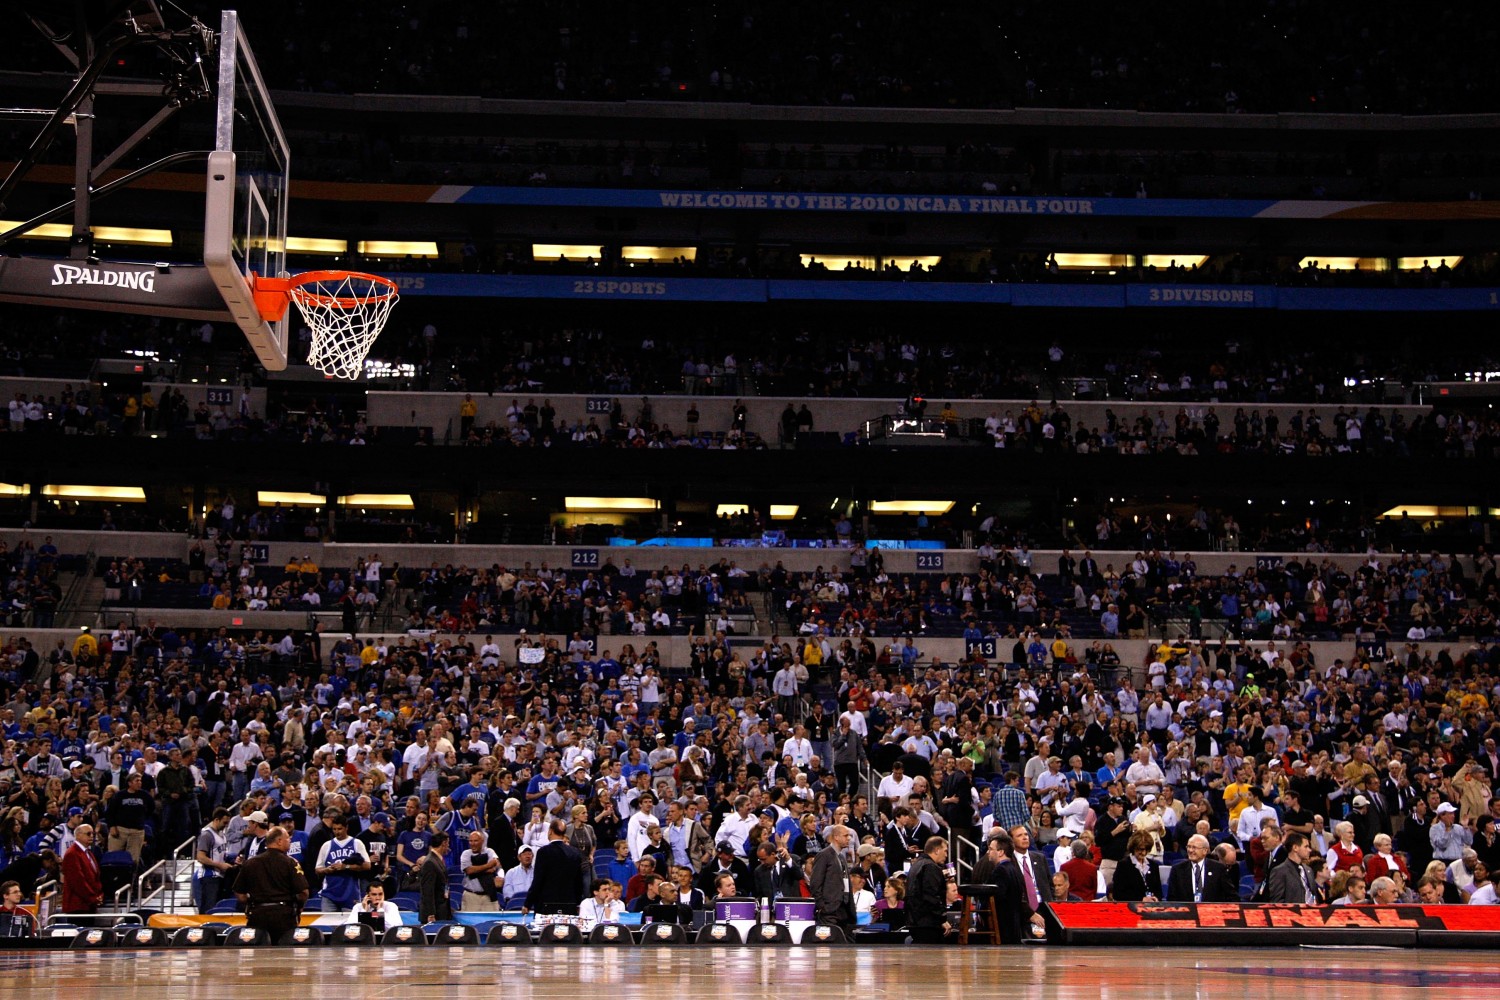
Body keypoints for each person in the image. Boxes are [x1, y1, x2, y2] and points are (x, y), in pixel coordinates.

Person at [234, 825, 309, 942]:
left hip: (257, 916)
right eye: (288, 838)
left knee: (256, 954)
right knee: (284, 955)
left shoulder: (250, 863)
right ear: (279, 841)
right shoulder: (290, 862)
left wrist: (251, 901)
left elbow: (240, 894)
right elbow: (303, 892)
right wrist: (298, 907)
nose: (290, 841)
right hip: (283, 917)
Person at [981, 831, 1035, 944]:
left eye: (991, 849)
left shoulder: (1000, 870)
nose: (988, 852)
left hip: (1002, 927)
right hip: (1013, 926)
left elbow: (996, 898)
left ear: (1000, 852)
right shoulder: (1013, 869)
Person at [528, 818, 588, 915]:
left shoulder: (543, 852)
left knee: (546, 930)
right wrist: (577, 903)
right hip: (569, 903)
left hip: (546, 904)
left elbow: (538, 880)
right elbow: (579, 882)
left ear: (550, 831)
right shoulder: (575, 853)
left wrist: (527, 903)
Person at [313, 814, 371, 912]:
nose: (337, 832)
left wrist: (345, 866)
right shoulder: (326, 845)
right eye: (334, 829)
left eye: (339, 829)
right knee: (328, 925)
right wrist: (327, 870)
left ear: (346, 827)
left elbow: (367, 865)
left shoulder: (356, 843)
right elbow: (317, 869)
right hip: (329, 894)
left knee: (350, 925)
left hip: (350, 893)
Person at [811, 823, 856, 933]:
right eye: (846, 836)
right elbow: (815, 883)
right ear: (836, 837)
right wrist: (822, 906)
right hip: (830, 910)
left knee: (846, 944)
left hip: (844, 909)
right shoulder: (824, 855)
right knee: (830, 942)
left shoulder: (841, 857)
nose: (849, 838)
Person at [905, 835, 952, 944]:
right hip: (928, 924)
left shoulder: (916, 865)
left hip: (914, 922)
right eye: (945, 851)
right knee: (932, 958)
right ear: (936, 850)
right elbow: (931, 896)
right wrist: (942, 919)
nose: (946, 855)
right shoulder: (931, 867)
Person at [1166, 834, 1234, 902]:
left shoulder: (1218, 869)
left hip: (1211, 911)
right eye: (1189, 847)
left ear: (1205, 851)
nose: (1190, 850)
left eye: (1194, 847)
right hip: (1187, 912)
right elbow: (1171, 899)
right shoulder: (1177, 870)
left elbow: (1231, 896)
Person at [192, 807, 234, 913]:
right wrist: (220, 865)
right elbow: (200, 857)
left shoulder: (221, 835)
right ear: (216, 820)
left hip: (219, 876)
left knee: (217, 910)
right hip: (209, 876)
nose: (226, 825)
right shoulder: (207, 834)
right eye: (224, 822)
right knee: (208, 910)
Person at [1264, 832, 1319, 904]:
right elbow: (1277, 902)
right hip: (1293, 914)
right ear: (1295, 848)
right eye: (1306, 846)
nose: (1309, 850)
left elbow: (1314, 895)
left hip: (1313, 913)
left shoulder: (1309, 870)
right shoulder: (1279, 871)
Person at [61, 824, 102, 916]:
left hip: (89, 904)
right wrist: (92, 897)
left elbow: (96, 877)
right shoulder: (72, 853)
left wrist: (99, 895)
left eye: (92, 834)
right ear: (78, 835)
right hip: (77, 906)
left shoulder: (88, 852)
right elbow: (77, 881)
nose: (91, 836)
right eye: (88, 833)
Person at [1110, 832, 1162, 902]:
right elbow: (1118, 894)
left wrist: (1156, 898)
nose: (1143, 853)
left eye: (1146, 849)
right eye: (1140, 849)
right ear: (1133, 847)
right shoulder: (1123, 865)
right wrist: (1141, 899)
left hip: (1152, 908)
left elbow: (1159, 891)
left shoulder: (1153, 865)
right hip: (1131, 909)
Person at [417, 830, 454, 924]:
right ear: (444, 843)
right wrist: (430, 914)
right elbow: (427, 890)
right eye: (448, 844)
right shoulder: (430, 862)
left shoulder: (436, 859)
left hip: (441, 911)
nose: (448, 847)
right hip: (434, 915)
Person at [459, 829, 500, 912]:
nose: (472, 844)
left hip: (488, 896)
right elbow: (469, 871)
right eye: (470, 841)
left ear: (482, 841)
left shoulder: (489, 851)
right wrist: (488, 866)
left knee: (492, 922)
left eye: (475, 841)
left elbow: (496, 863)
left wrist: (476, 870)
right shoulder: (466, 854)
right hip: (471, 896)